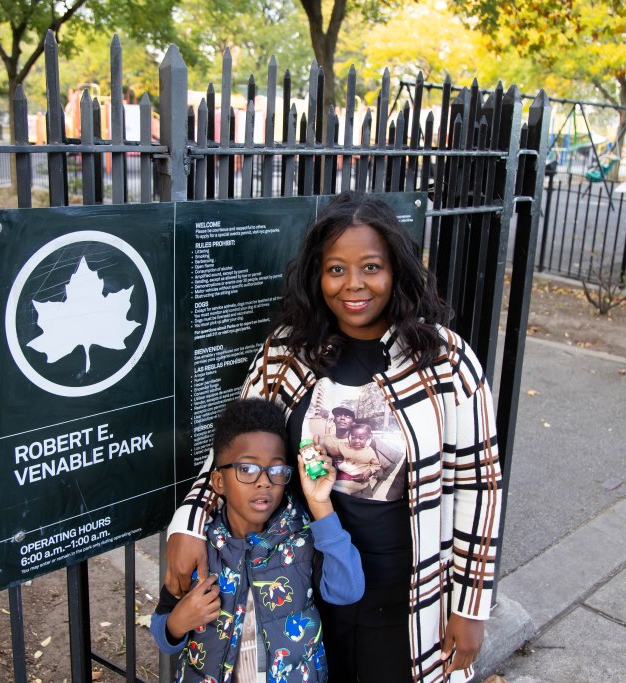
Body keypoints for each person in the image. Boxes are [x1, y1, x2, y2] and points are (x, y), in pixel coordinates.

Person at [166, 192, 502, 682]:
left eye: (371, 267)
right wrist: (189, 522)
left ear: (396, 271)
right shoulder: (287, 352)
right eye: (336, 269)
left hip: (407, 594)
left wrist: (471, 606)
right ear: (317, 275)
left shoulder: (446, 363)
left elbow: (479, 488)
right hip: (304, 591)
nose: (354, 285)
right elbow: (234, 448)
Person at [152, 398, 364, 682]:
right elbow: (162, 630)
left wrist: (320, 506)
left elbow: (347, 590)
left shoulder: (301, 536)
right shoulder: (200, 547)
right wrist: (178, 622)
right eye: (247, 469)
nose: (264, 481)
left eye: (276, 470)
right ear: (218, 482)